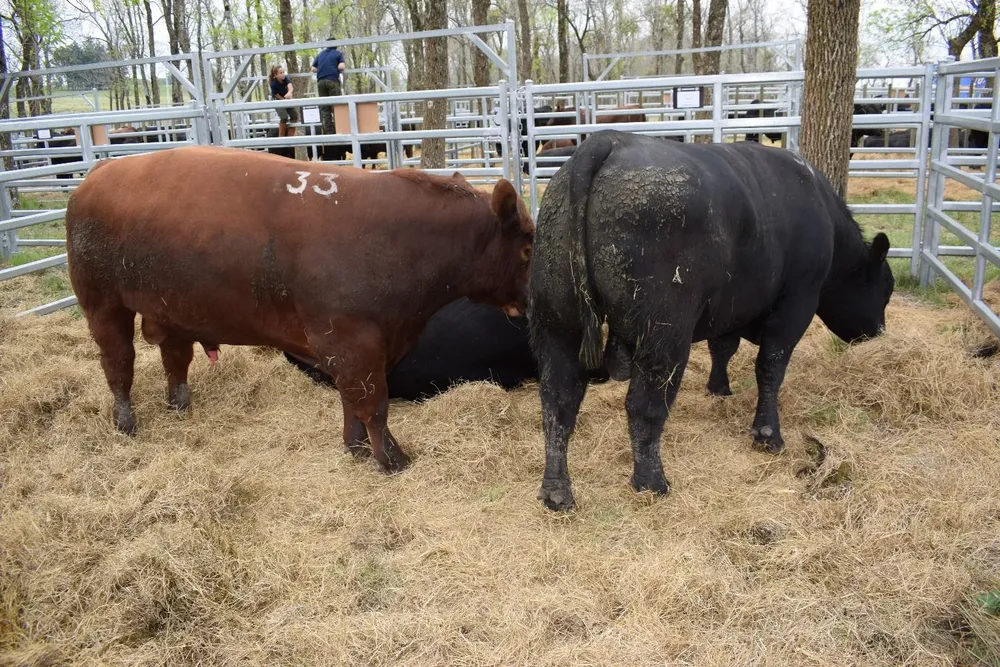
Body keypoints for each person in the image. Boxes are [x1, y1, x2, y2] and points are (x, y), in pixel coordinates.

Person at [311, 38, 346, 135]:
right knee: (337, 105)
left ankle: (328, 131)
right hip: (332, 80)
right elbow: (341, 67)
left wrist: (323, 69)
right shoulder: (338, 54)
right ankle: (339, 129)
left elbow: (313, 69)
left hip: (320, 82)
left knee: (325, 107)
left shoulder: (320, 54)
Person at [268, 64, 297, 137]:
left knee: (294, 115)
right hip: (278, 100)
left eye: (283, 72)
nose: (283, 74)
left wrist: (289, 93)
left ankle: (291, 135)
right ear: (276, 75)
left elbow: (290, 87)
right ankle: (281, 136)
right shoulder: (274, 84)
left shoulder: (286, 78)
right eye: (280, 73)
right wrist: (284, 100)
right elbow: (276, 95)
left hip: (286, 99)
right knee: (284, 117)